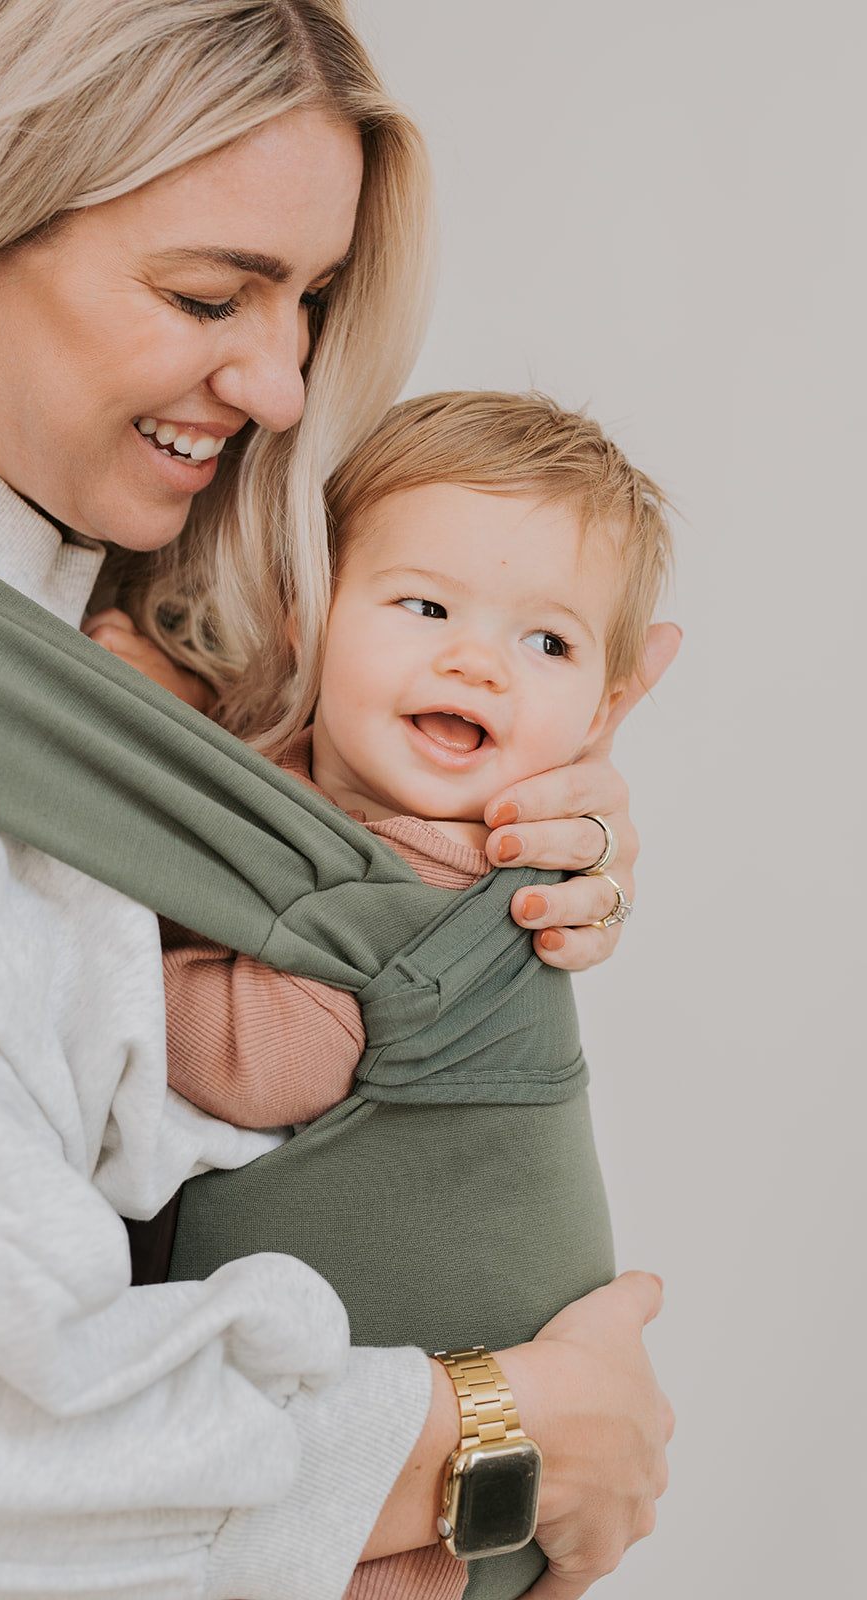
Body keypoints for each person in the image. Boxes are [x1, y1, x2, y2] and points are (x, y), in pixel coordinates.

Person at [0, 5, 674, 1600]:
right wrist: (486, 1435)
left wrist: (480, 862)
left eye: (308, 300)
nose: (274, 384)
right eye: (206, 295)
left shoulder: (22, 568)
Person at [88, 389, 672, 1600]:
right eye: (423, 606)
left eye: (547, 643)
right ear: (307, 614)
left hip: (423, 1488)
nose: (476, 660)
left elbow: (267, 1058)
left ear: (606, 708)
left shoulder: (432, 881)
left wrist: (108, 957)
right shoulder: (338, 810)